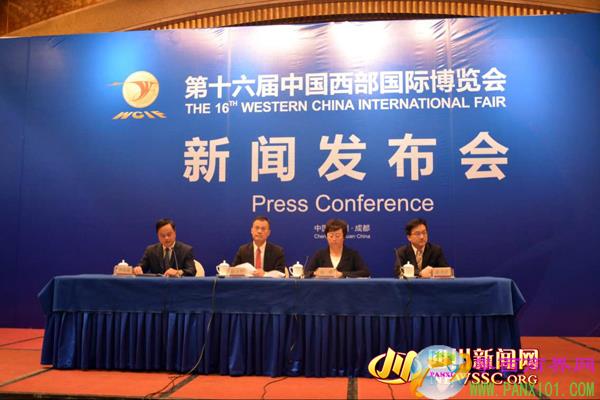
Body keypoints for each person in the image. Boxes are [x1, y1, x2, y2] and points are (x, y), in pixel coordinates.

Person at [304, 218, 370, 278]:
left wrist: (342, 274)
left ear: (344, 237)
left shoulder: (352, 254)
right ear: (326, 237)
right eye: (331, 236)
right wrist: (316, 273)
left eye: (337, 236)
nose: (334, 239)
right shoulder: (320, 254)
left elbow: (365, 273)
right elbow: (306, 273)